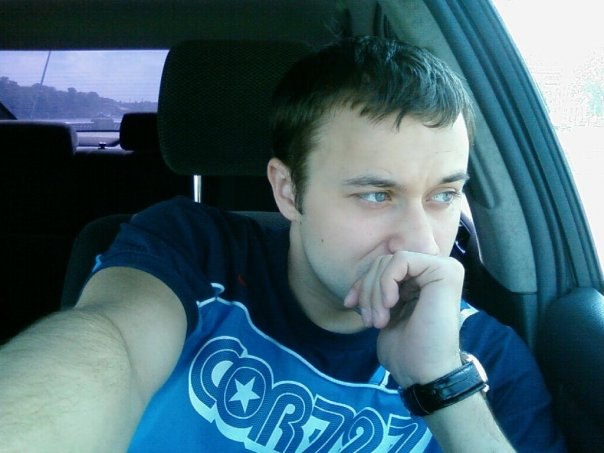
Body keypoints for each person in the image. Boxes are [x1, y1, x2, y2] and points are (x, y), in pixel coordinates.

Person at [0, 36, 565, 452]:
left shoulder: (486, 358)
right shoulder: (190, 252)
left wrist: (442, 385)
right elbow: (113, 345)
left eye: (443, 195)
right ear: (289, 191)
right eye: (375, 195)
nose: (421, 241)